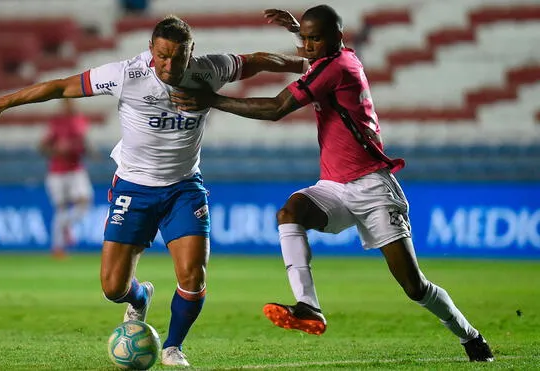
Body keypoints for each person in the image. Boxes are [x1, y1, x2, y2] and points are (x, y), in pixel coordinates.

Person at [0, 15, 308, 367]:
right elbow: (61, 87)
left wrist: (303, 63)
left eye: (179, 56)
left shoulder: (210, 70)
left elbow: (256, 61)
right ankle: (140, 295)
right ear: (151, 49)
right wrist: (3, 102)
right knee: (113, 287)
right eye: (162, 55)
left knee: (193, 275)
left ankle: (173, 347)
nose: (169, 64)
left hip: (184, 188)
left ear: (192, 52)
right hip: (134, 188)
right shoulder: (126, 75)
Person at [170, 5, 494, 362]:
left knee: (414, 286)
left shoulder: (336, 68)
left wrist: (212, 100)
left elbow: (277, 108)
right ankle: (308, 307)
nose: (307, 46)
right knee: (290, 212)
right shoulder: (343, 56)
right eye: (304, 39)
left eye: (314, 38)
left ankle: (469, 335)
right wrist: (300, 32)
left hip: (372, 187)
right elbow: (316, 54)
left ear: (336, 38)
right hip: (335, 187)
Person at [39, 98, 94, 259]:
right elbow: (42, 147)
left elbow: (83, 142)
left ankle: (65, 225)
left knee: (84, 201)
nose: (69, 107)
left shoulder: (80, 120)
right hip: (57, 172)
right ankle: (58, 248)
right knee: (61, 208)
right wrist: (56, 151)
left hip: (75, 169)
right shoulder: (56, 123)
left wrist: (87, 150)